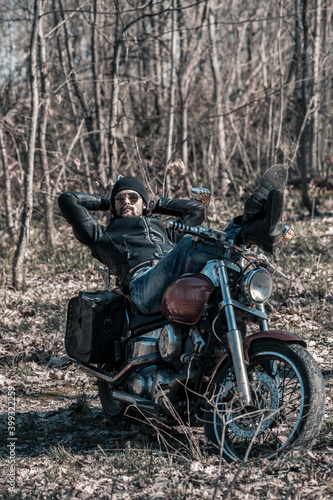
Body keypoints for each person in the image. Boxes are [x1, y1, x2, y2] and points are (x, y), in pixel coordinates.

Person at [58, 165, 288, 315]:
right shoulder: (103, 235)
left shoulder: (162, 231)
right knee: (190, 243)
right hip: (143, 286)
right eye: (120, 198)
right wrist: (106, 202)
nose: (126, 201)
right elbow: (68, 200)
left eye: (132, 197)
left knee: (224, 259)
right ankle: (253, 229)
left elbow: (196, 210)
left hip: (178, 271)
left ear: (144, 204)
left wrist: (154, 203)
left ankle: (250, 225)